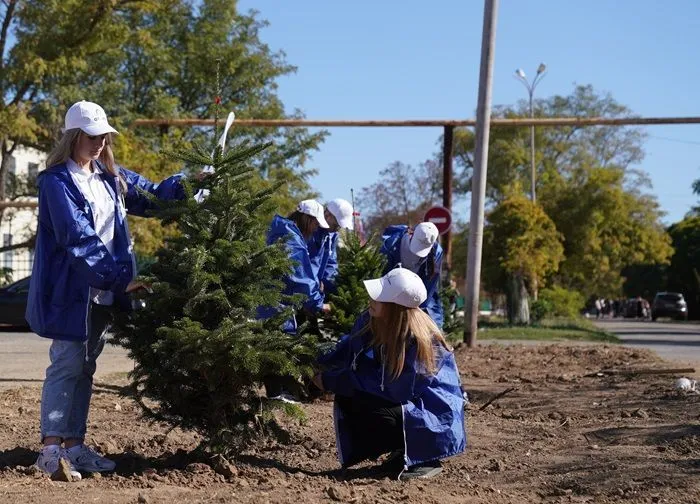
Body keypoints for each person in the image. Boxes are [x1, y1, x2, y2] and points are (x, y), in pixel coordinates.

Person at [25, 101, 188, 479]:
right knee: (66, 364)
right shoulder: (56, 182)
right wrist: (118, 278)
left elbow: (153, 196)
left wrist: (192, 181)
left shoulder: (109, 175)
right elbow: (77, 238)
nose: (99, 143)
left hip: (101, 291)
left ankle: (74, 446)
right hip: (72, 290)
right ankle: (50, 450)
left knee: (85, 367)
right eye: (92, 136)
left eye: (104, 136)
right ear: (73, 136)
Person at [313, 268, 466, 481]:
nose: (371, 298)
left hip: (435, 418)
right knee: (350, 400)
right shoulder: (373, 320)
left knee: (372, 410)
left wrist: (331, 380)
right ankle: (402, 451)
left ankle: (425, 457)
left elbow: (393, 389)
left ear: (396, 308)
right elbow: (348, 348)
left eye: (380, 296)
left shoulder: (420, 341)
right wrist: (313, 360)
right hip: (407, 405)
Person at [258, 199, 332, 334]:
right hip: (278, 308)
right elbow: (301, 278)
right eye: (316, 223)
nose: (316, 228)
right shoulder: (293, 242)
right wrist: (319, 304)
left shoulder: (282, 232)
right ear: (307, 219)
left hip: (266, 302)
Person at [380, 222, 444, 328]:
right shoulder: (391, 245)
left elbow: (428, 287)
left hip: (418, 289)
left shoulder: (436, 253)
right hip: (392, 286)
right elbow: (382, 278)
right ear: (412, 234)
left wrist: (417, 311)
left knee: (431, 321)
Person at [307, 198, 354, 295]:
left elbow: (331, 263)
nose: (338, 228)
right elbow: (309, 265)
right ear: (327, 215)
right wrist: (315, 287)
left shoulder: (332, 235)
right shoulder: (311, 232)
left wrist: (338, 288)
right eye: (337, 224)